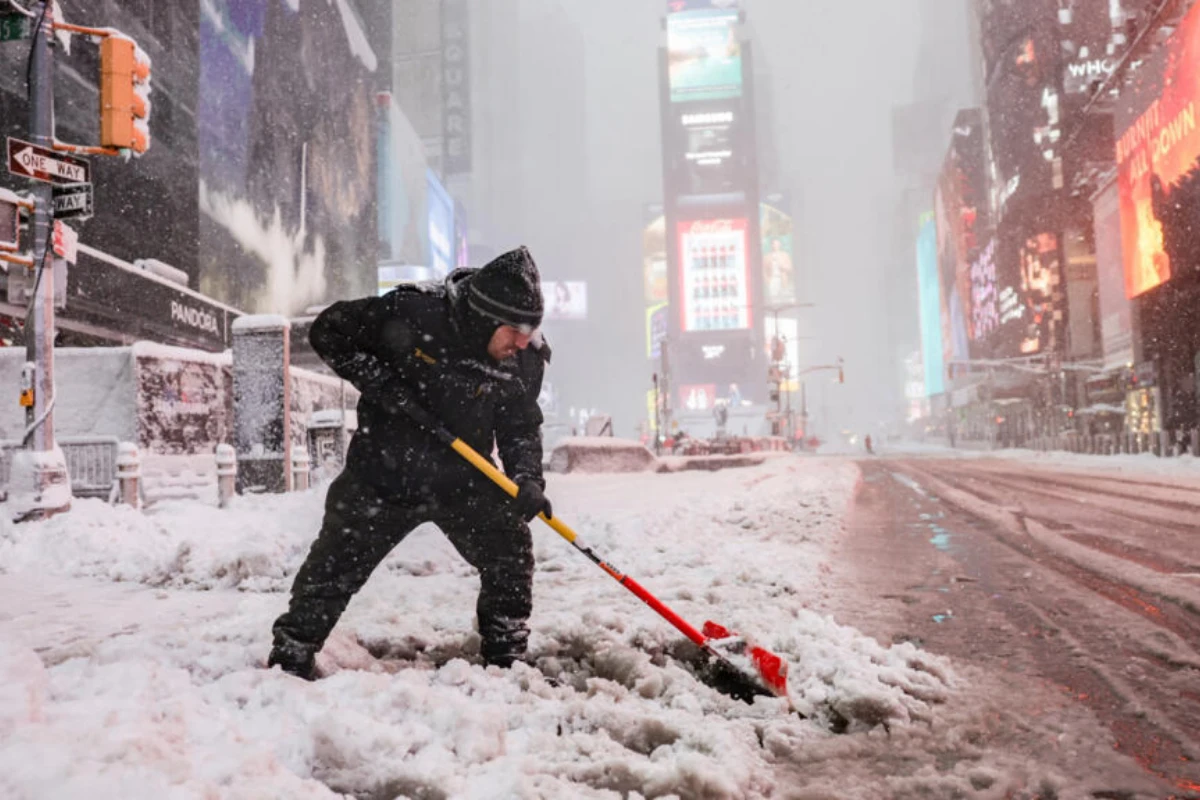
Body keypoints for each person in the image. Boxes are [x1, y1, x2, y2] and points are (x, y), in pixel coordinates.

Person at [268, 246, 553, 680]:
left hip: (465, 478)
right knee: (335, 565)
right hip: (383, 474)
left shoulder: (523, 359)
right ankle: (292, 652)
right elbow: (329, 331)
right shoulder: (413, 313)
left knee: (509, 550)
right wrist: (379, 382)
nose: (522, 341)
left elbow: (519, 424)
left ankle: (506, 657)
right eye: (514, 330)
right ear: (485, 317)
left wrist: (527, 477)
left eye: (530, 330)